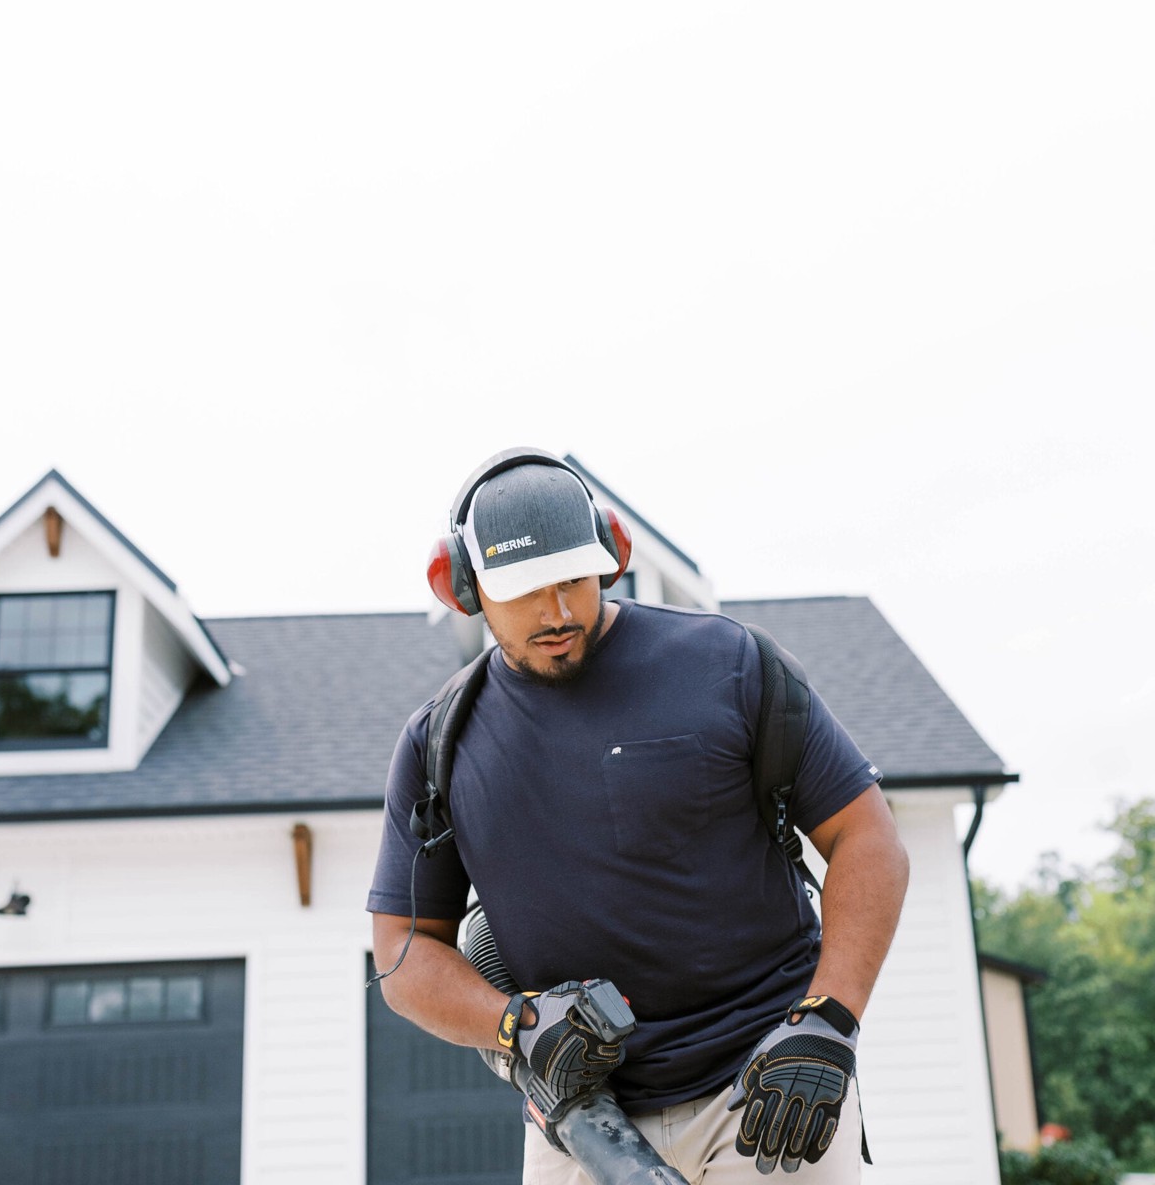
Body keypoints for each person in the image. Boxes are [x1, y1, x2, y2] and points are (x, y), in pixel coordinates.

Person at [367, 449, 909, 1184]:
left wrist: (829, 1019)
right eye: (525, 590)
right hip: (582, 1124)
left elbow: (867, 836)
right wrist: (515, 1026)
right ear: (464, 587)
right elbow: (403, 950)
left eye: (573, 579)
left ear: (611, 554)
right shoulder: (439, 743)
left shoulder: (726, 663)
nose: (558, 612)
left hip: (765, 1089)